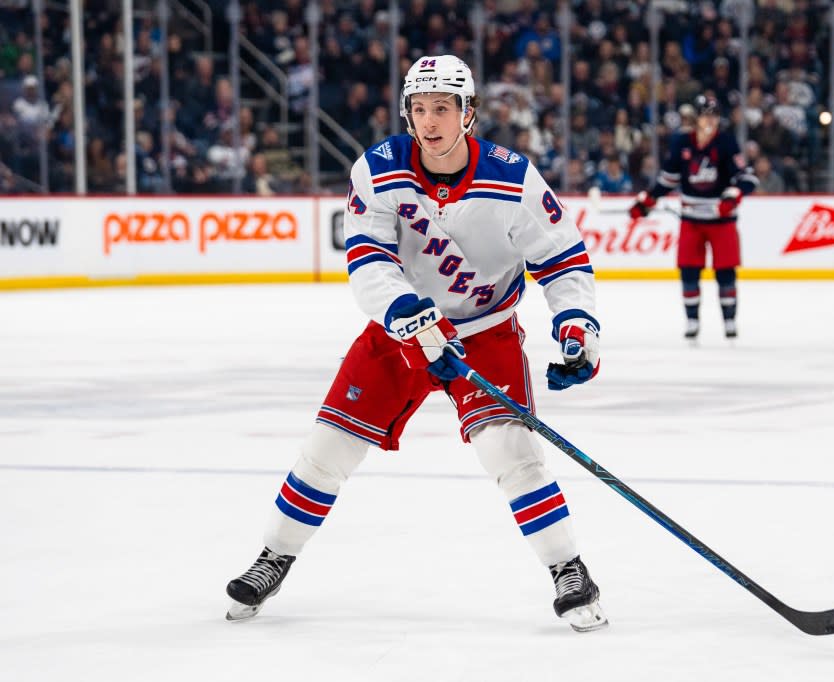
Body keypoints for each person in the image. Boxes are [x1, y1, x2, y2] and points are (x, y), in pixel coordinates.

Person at [225, 55, 609, 632]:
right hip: (401, 335)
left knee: (512, 453)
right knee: (328, 448)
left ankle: (569, 569)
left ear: (468, 113)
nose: (430, 122)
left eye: (443, 109)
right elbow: (368, 255)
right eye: (420, 109)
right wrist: (407, 313)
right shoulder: (379, 168)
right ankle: (273, 556)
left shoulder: (513, 178)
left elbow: (562, 259)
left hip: (484, 335)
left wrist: (577, 326)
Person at [629, 95, 758, 340]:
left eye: (713, 114)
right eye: (705, 114)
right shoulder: (681, 143)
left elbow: (747, 178)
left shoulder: (726, 142)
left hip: (722, 220)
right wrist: (648, 200)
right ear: (696, 118)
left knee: (725, 271)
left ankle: (729, 321)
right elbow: (668, 180)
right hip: (691, 220)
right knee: (689, 270)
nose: (709, 119)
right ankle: (692, 320)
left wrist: (732, 196)